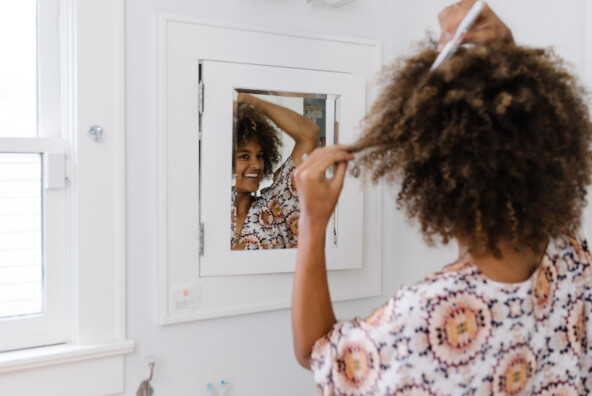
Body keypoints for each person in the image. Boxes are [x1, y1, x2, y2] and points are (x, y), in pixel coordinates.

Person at [292, 1, 592, 394]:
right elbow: (520, 123)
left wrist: (313, 224)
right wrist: (505, 48)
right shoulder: (568, 258)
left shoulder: (430, 315)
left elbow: (319, 354)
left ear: (432, 174)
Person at [232, 93, 319, 250]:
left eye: (259, 156)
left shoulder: (274, 207)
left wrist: (250, 101)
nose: (257, 165)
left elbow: (309, 134)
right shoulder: (208, 210)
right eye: (244, 156)